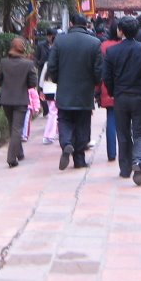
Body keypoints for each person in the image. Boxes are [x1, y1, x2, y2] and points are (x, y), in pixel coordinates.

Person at [47, 13, 103, 171]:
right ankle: (79, 160)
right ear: (86, 24)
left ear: (71, 23)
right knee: (83, 124)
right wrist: (94, 83)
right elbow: (99, 70)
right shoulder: (94, 43)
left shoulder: (60, 41)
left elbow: (52, 65)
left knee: (64, 119)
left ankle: (66, 143)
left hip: (65, 89)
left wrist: (59, 80)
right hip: (85, 91)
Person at [104, 16, 141, 186]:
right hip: (140, 96)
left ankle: (125, 168)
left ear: (120, 30)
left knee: (123, 133)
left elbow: (107, 77)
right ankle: (138, 161)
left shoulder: (112, 52)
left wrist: (113, 93)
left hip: (121, 97)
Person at [0, 38, 39, 168]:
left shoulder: (3, 63)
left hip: (6, 100)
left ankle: (19, 152)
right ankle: (11, 158)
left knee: (12, 127)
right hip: (20, 100)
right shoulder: (28, 64)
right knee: (17, 129)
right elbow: (32, 83)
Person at [97, 21, 123, 162]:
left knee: (111, 119)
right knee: (125, 122)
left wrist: (97, 89)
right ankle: (125, 152)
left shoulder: (104, 46)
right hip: (124, 87)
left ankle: (111, 153)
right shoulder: (125, 46)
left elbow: (100, 70)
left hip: (107, 87)